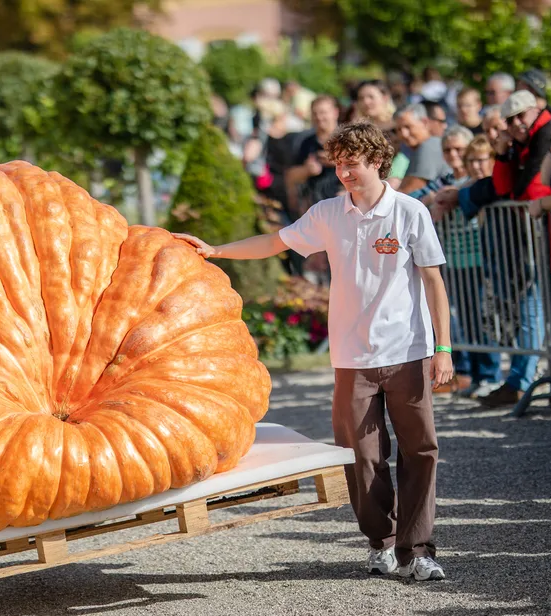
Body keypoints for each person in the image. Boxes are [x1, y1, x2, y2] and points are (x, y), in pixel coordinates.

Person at [175, 122, 453, 582]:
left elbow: (433, 282)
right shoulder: (328, 213)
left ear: (377, 162)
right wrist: (216, 250)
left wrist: (442, 348)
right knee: (360, 454)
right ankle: (381, 543)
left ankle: (418, 549)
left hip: (409, 350)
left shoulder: (409, 212)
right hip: (351, 356)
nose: (344, 172)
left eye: (353, 163)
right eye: (338, 163)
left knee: (420, 449)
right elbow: (275, 242)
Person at [437, 91, 551, 408]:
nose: (513, 125)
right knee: (526, 310)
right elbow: (506, 188)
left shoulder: (546, 132)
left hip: (539, 240)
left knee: (533, 309)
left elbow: (527, 189)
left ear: (536, 111)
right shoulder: (518, 141)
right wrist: (503, 154)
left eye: (520, 118)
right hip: (527, 242)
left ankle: (521, 379)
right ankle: (519, 379)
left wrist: (464, 195)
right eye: (509, 121)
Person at [429, 135, 503, 398]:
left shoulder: (472, 187)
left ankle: (490, 375)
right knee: (468, 321)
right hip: (457, 261)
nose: (474, 164)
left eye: (479, 159)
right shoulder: (454, 184)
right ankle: (473, 374)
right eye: (470, 159)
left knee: (483, 320)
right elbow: (433, 196)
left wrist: (453, 197)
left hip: (481, 261)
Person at [395, 103, 453, 194]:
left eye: (408, 127)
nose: (403, 134)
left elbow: (408, 190)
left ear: (425, 122)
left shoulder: (429, 145)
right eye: (398, 129)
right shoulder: (423, 147)